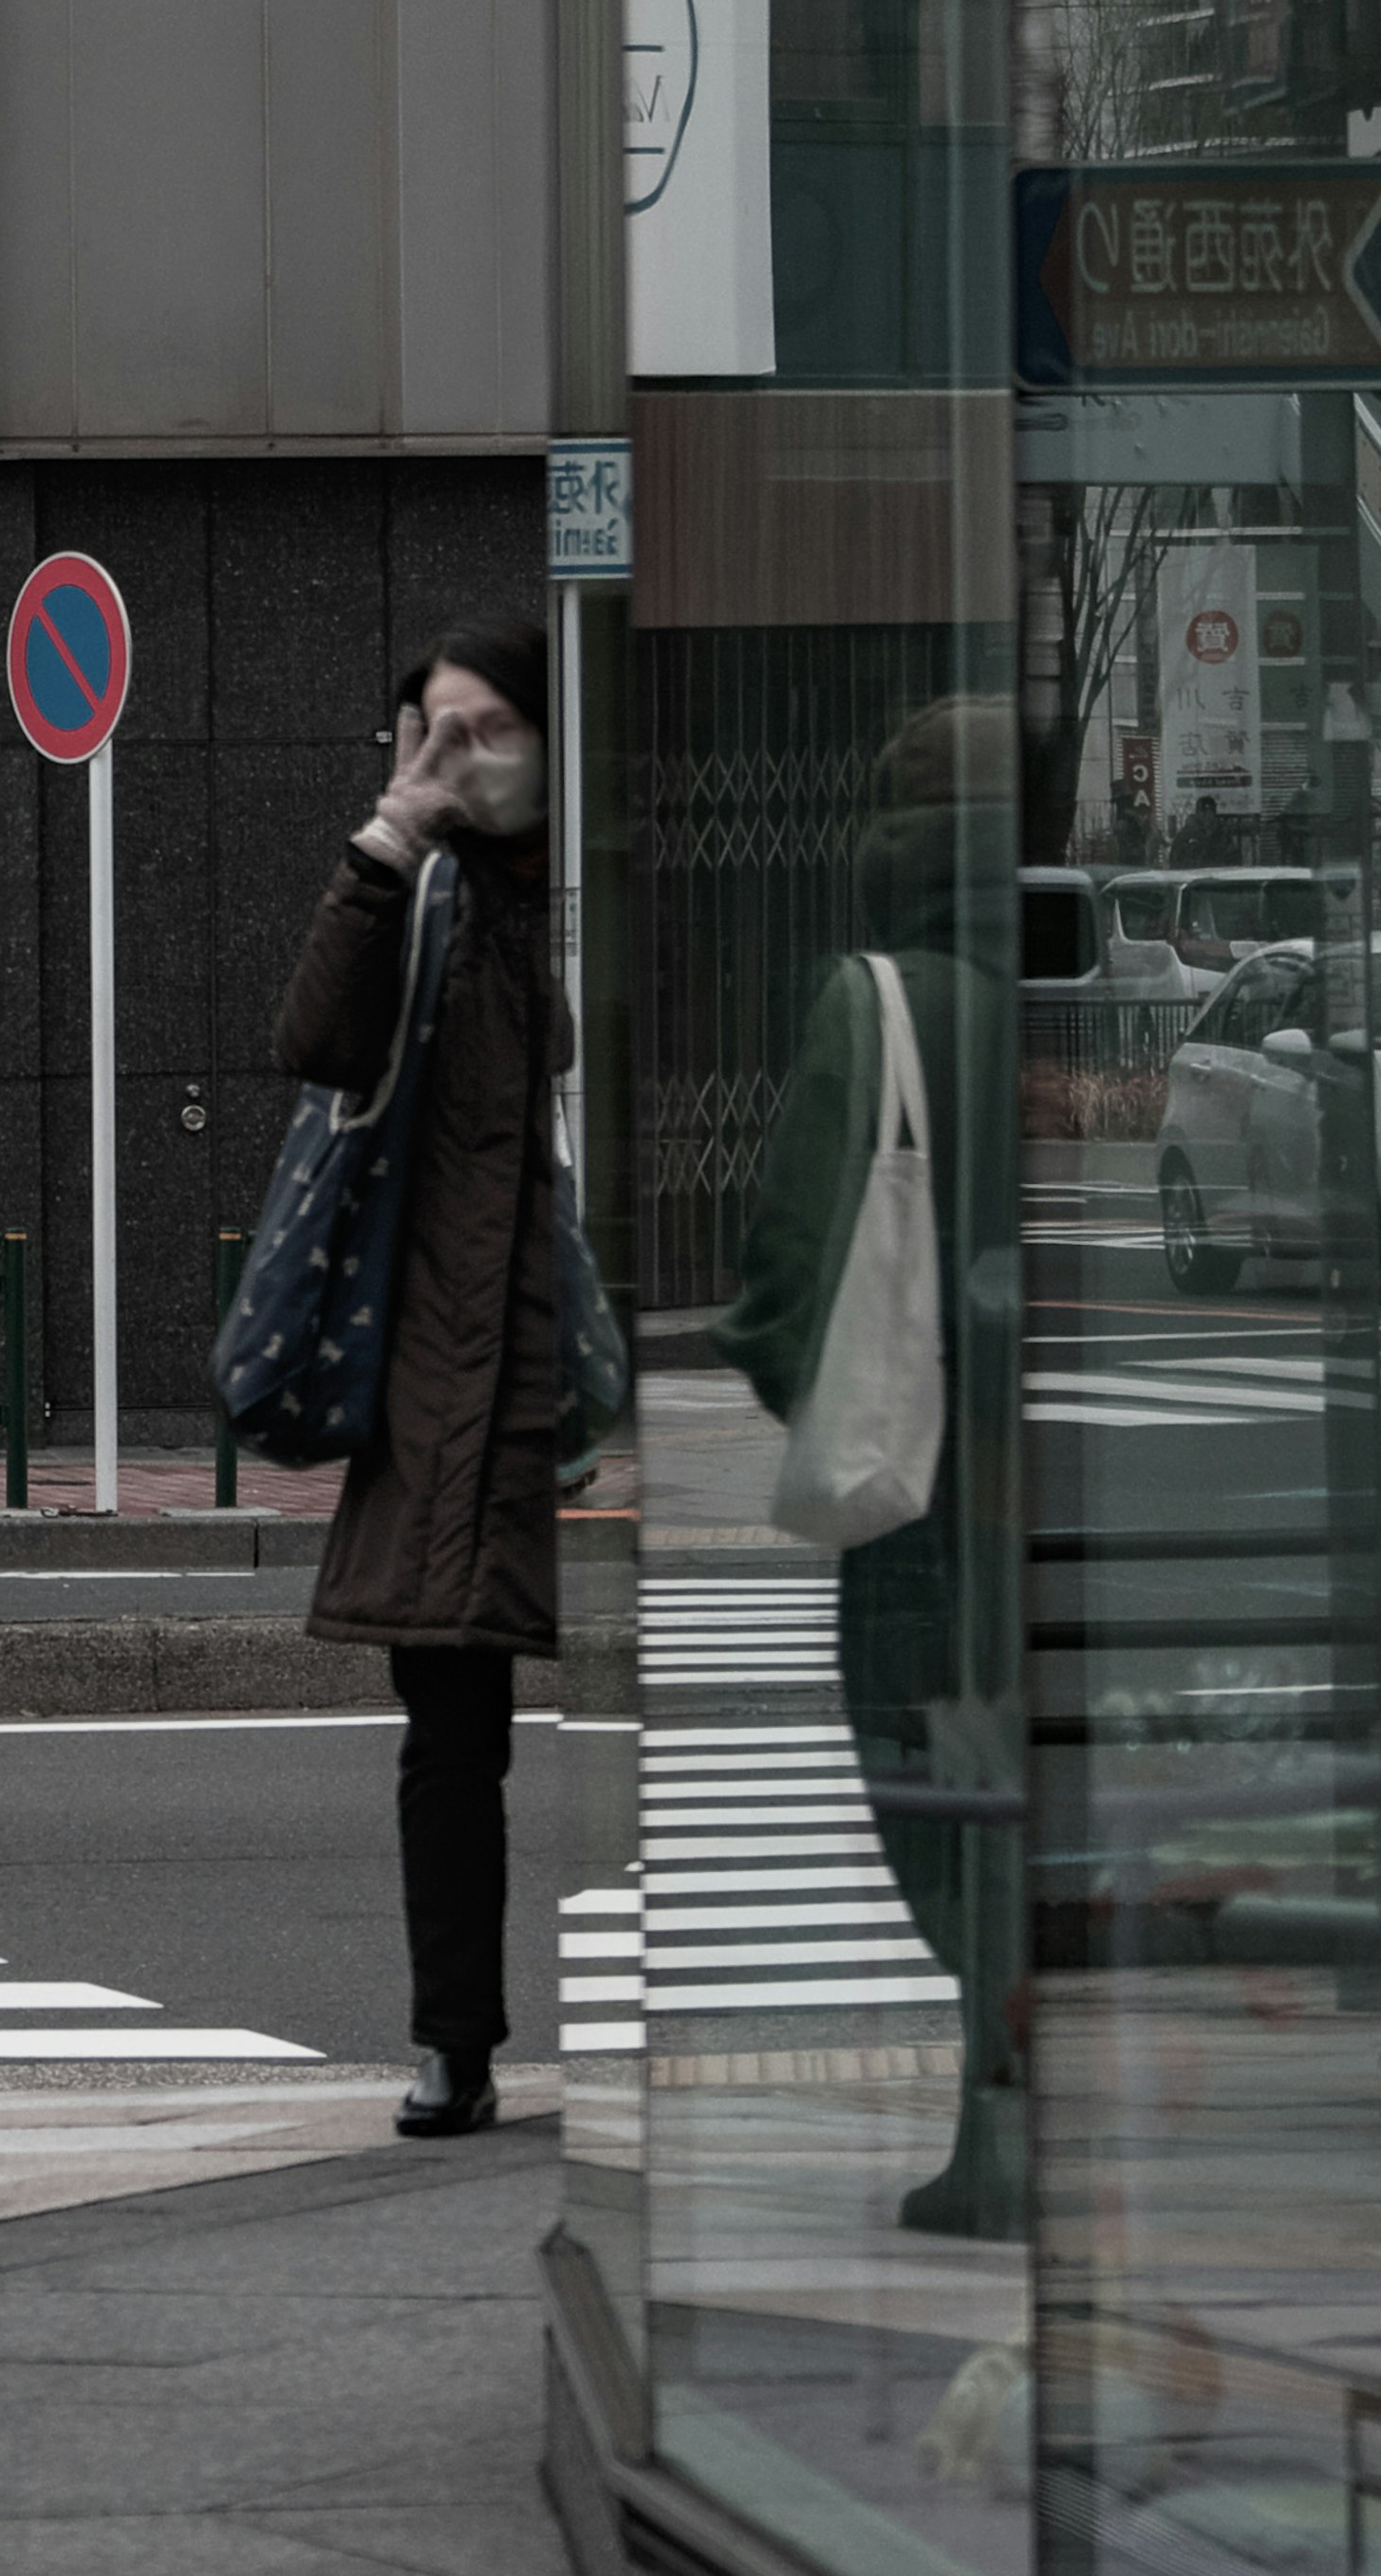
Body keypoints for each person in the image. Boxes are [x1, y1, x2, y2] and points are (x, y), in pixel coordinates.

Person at [718, 689, 1023, 2238]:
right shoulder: (1112, 997)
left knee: (945, 1825)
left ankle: (1005, 2126)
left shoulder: (879, 1002)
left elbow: (780, 1297)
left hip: (924, 1527)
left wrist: (836, 1394)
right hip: (1067, 1501)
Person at [272, 619, 564, 2138]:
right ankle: (457, 2037)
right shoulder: (423, 901)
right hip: (462, 1381)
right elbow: (309, 1035)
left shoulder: (586, 894)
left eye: (489, 730)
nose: (463, 761)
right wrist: (391, 836)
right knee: (455, 1733)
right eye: (432, 733)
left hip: (609, 1373)